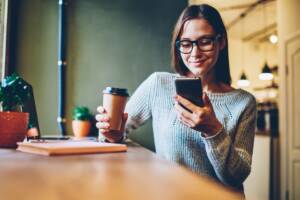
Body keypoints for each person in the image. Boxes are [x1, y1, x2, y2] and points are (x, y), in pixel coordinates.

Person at [96, 4, 256, 192]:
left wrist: (214, 131)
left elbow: (235, 177)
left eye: (205, 41)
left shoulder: (244, 102)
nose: (195, 53)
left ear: (221, 42)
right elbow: (113, 135)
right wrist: (111, 134)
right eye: (186, 44)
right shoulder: (159, 84)